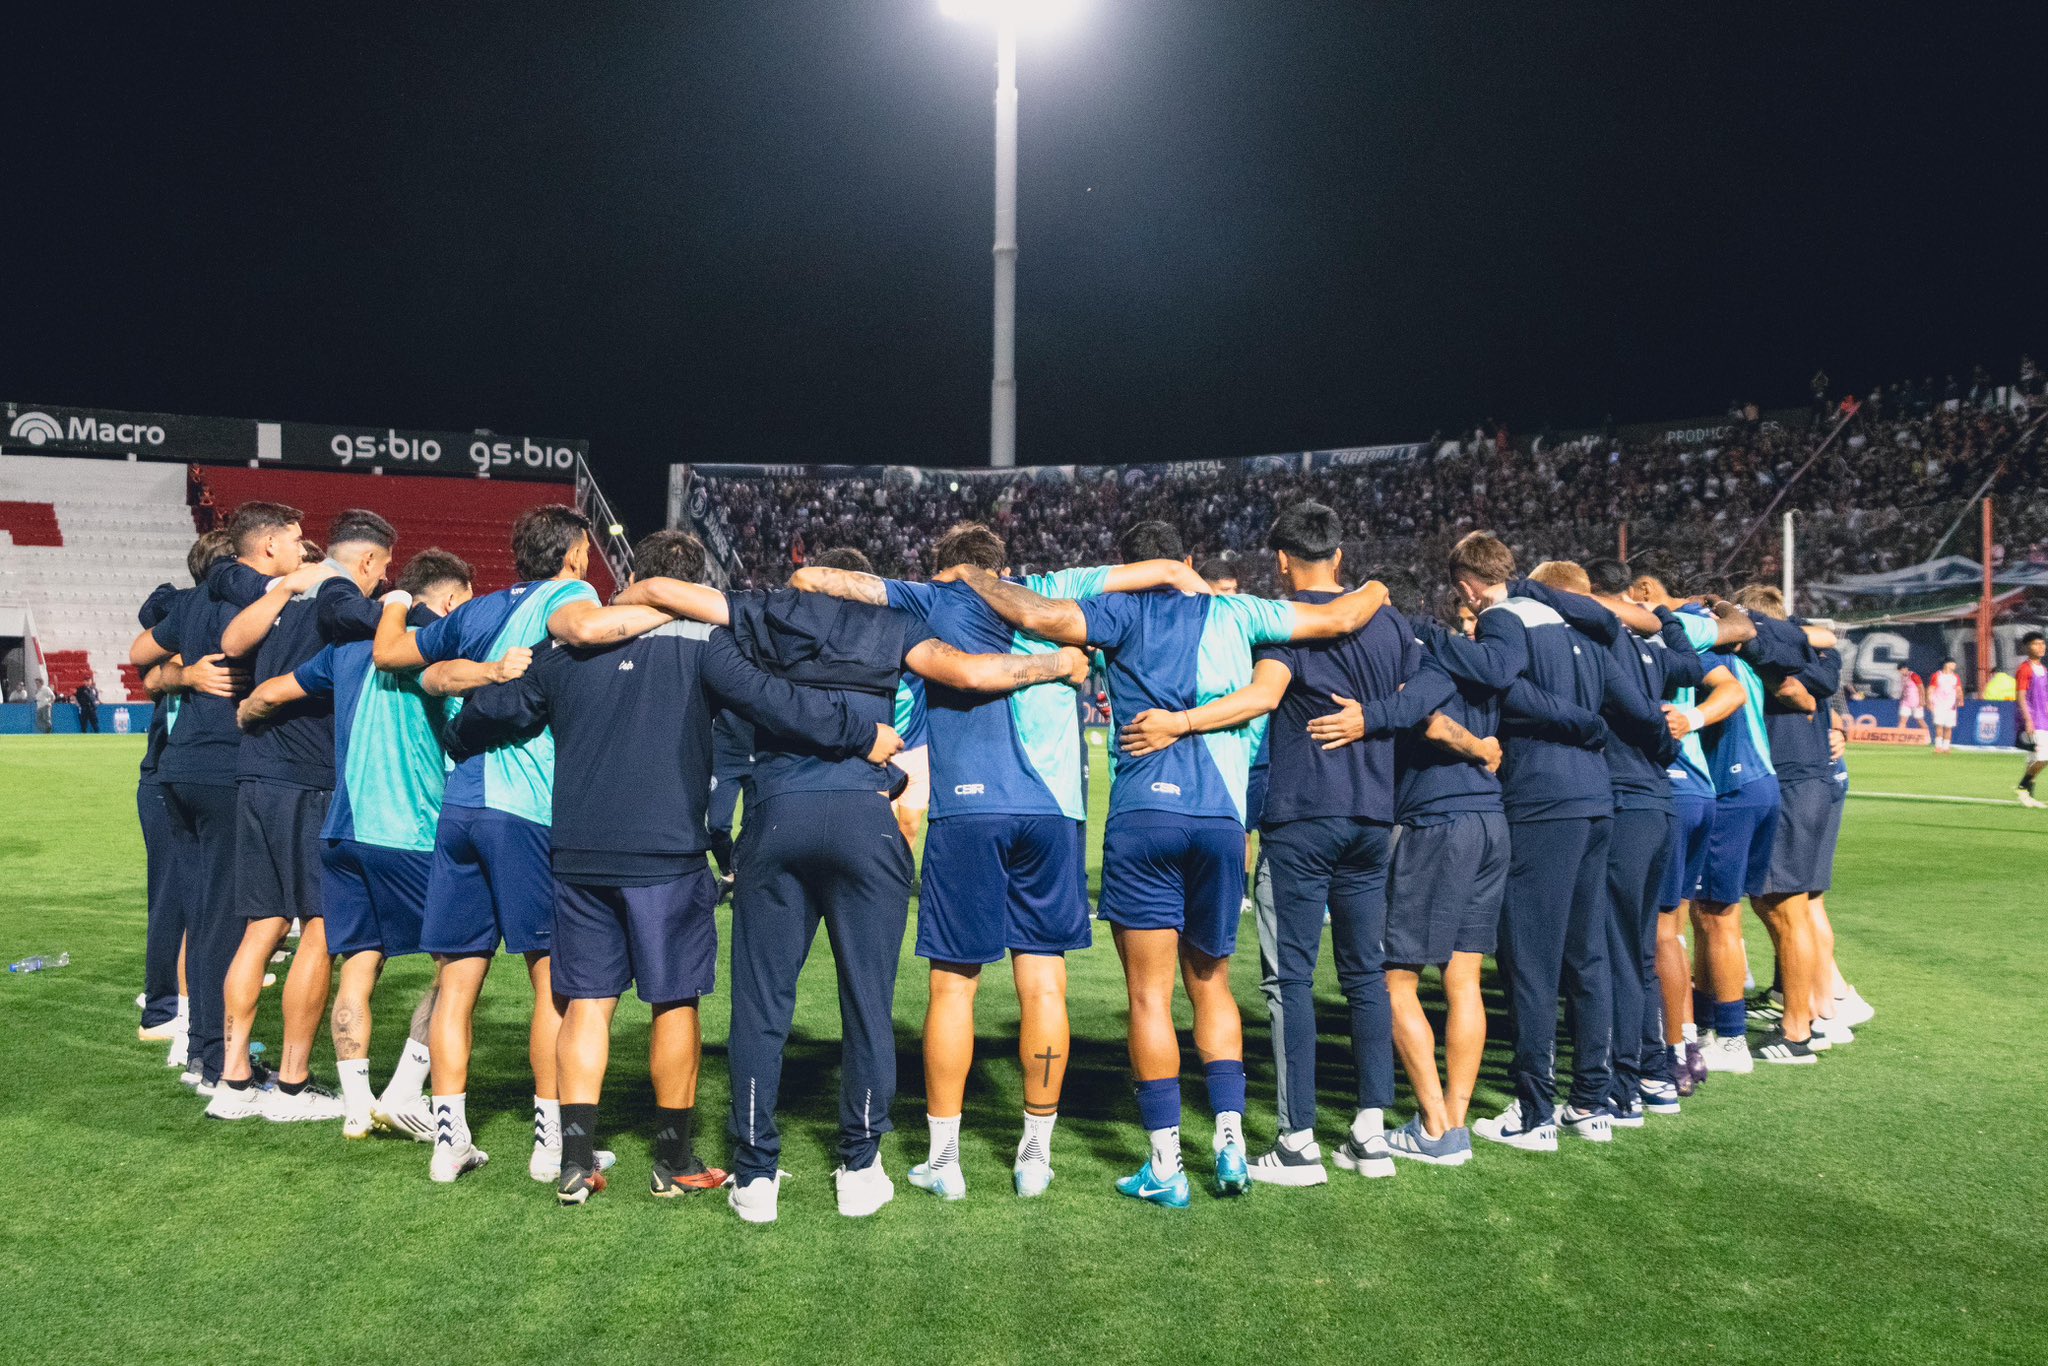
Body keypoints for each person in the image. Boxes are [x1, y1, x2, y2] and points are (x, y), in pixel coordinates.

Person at [593, 557, 1097, 1222]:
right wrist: (1059, 665)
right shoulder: (893, 623)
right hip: (866, 825)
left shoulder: (768, 610)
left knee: (762, 1006)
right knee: (867, 1004)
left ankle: (756, 1177)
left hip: (777, 818)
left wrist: (611, 628)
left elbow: (657, 587)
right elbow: (974, 673)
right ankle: (859, 1168)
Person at [449, 531, 909, 1206]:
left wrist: (459, 729)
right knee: (674, 1000)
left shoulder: (569, 645)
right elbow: (774, 703)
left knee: (588, 1003)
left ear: (636, 578)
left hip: (578, 849)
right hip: (665, 850)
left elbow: (491, 710)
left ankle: (575, 1160)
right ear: (696, 587)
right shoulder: (705, 646)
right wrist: (863, 736)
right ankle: (673, 1159)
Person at [954, 520, 1389, 1206]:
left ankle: (1165, 1165)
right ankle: (1232, 1146)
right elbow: (1340, 615)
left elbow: (1035, 611)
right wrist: (1376, 586)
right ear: (1184, 560)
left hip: (1143, 818)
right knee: (1212, 986)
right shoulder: (1240, 610)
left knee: (1150, 998)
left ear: (1126, 566)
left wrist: (972, 575)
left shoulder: (1117, 609)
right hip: (1220, 821)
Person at [792, 525, 1205, 1201]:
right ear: (1002, 565)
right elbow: (1153, 570)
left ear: (945, 568)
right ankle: (1034, 1157)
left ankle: (945, 1160)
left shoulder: (926, 598)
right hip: (1054, 814)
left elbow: (817, 581)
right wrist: (1185, 578)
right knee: (1044, 985)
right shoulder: (1050, 589)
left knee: (956, 986)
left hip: (969, 810)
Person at [1117, 503, 1413, 1187]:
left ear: (1282, 561)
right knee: (1367, 975)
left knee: (1292, 981)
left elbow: (1260, 696)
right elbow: (1430, 686)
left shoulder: (1280, 626)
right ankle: (1370, 1135)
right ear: (1339, 552)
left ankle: (1298, 1142)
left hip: (1305, 815)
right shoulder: (1387, 619)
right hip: (1374, 815)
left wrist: (1180, 724)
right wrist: (1380, 716)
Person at [368, 505, 610, 1183]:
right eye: (585, 549)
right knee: (551, 983)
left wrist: (394, 604)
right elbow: (587, 632)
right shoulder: (574, 594)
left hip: (460, 807)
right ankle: (550, 1143)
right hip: (525, 808)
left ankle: (449, 1144)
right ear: (569, 554)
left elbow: (396, 657)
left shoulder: (478, 613)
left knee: (455, 984)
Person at [1417, 535, 1654, 1151]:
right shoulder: (1573, 619)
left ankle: (1534, 1111)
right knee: (1587, 955)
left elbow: (1505, 689)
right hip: (1598, 797)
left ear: (1468, 585)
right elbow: (1619, 698)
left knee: (1530, 959)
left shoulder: (1503, 619)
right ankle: (1593, 1101)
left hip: (1543, 800)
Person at [236, 548, 474, 1140]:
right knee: (459, 965)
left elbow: (271, 693)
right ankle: (401, 1091)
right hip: (409, 829)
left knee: (360, 964)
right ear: (446, 601)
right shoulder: (433, 645)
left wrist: (246, 709)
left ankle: (353, 1107)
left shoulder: (344, 651)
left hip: (341, 830)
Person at [207, 510, 397, 1123]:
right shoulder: (339, 594)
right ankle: (292, 1085)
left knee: (262, 926)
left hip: (256, 774)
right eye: (384, 569)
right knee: (319, 926)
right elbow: (364, 628)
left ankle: (233, 1080)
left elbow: (233, 643)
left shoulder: (283, 595)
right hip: (307, 778)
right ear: (368, 561)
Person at [130, 502, 307, 1099]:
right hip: (228, 768)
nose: (302, 548)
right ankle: (216, 1062)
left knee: (203, 915)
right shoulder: (259, 600)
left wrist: (179, 674)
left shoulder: (194, 600)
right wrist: (188, 676)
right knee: (232, 919)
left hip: (177, 769)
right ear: (266, 548)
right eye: (295, 539)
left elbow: (139, 656)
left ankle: (199, 1048)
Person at [2013, 633, 2047, 807]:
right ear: (2027, 647)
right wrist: (2028, 720)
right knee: (2044, 757)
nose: (2041, 647)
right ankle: (2022, 786)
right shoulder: (2024, 669)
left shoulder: (2044, 669)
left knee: (2034, 758)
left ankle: (2028, 796)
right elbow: (2021, 696)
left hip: (2044, 720)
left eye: (2042, 644)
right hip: (2034, 720)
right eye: (2036, 644)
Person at [1929, 659, 1963, 752]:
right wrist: (1930, 701)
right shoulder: (1937, 675)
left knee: (1949, 726)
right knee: (1939, 725)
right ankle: (1938, 746)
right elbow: (1931, 688)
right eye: (1953, 664)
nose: (1954, 666)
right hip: (1939, 704)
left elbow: (1958, 689)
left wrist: (1960, 699)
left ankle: (1946, 747)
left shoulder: (1955, 677)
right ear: (1947, 664)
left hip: (1951, 705)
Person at [1899, 668, 1926, 734]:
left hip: (1916, 702)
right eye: (1900, 671)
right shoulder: (1903, 677)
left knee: (1920, 720)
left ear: (1905, 669)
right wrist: (1902, 697)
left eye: (1902, 670)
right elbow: (1904, 688)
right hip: (1906, 702)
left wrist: (1922, 700)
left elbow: (1921, 688)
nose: (1901, 672)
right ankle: (1900, 738)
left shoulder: (1914, 676)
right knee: (1903, 721)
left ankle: (1926, 736)